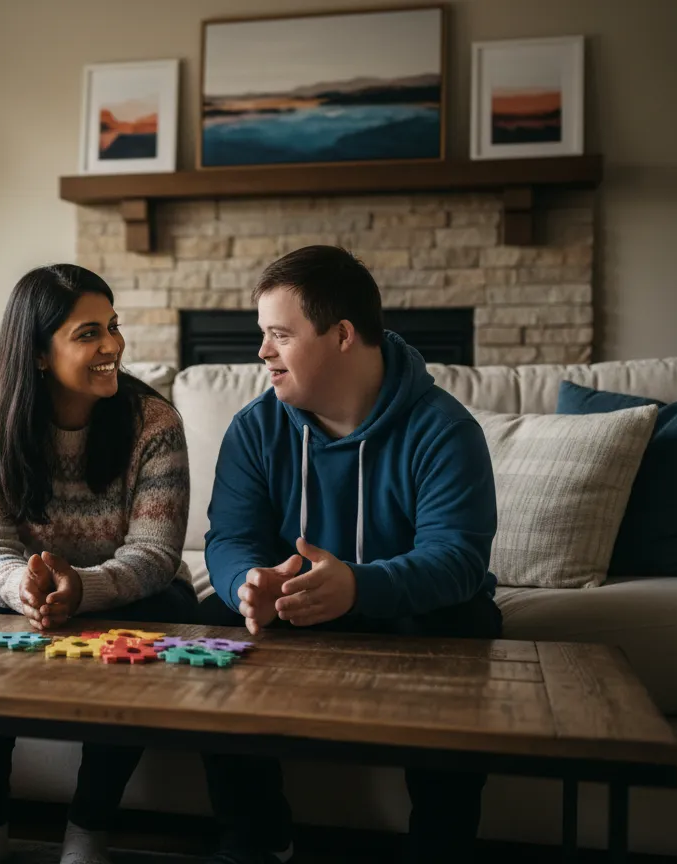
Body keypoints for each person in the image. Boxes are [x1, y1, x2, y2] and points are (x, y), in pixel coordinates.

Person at [200, 246, 501, 864]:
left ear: (341, 335)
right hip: (294, 608)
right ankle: (257, 841)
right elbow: (228, 539)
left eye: (280, 335)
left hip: (409, 613)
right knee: (214, 625)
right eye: (263, 334)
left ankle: (439, 850)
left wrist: (359, 587)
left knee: (467, 621)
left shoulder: (444, 429)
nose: (262, 352)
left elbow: (458, 557)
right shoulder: (254, 429)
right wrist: (247, 585)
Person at [0, 263, 197, 864]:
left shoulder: (154, 423)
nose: (113, 345)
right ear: (38, 353)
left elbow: (157, 553)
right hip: (28, 590)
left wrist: (83, 588)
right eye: (89, 333)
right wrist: (24, 589)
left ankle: (88, 831)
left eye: (113, 326)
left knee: (158, 617)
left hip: (133, 589)